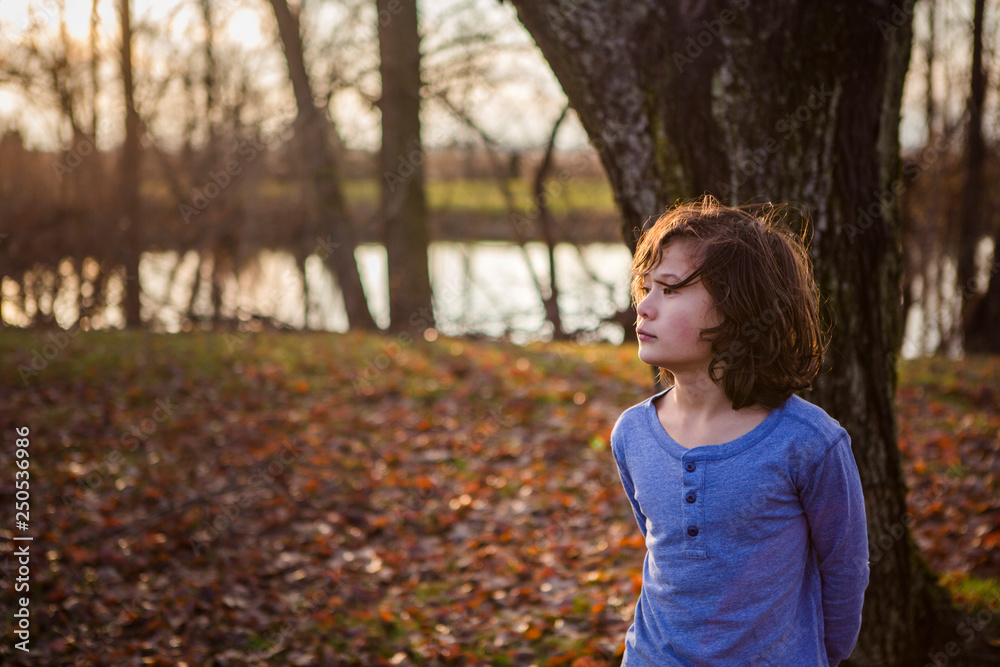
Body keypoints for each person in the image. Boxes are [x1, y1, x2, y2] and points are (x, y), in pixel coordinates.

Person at [611, 195, 870, 666]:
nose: (644, 308)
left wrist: (817, 656)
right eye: (644, 289)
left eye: (669, 290)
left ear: (736, 308)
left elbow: (844, 569)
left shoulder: (809, 443)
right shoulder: (632, 434)